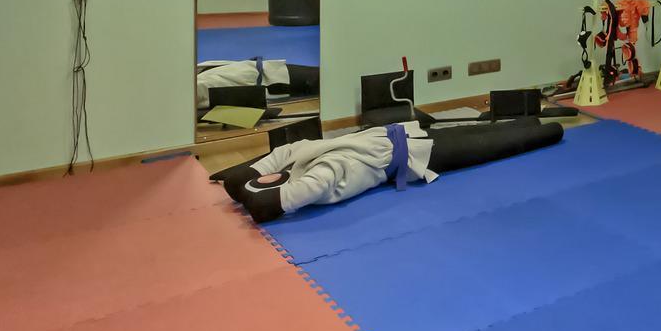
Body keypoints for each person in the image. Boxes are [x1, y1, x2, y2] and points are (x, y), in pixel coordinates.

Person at [213, 114, 562, 223]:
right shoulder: (325, 172)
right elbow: (306, 190)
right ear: (277, 184)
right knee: (496, 145)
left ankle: (531, 119)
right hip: (418, 156)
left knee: (481, 129)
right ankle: (551, 130)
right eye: (269, 179)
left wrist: (244, 175)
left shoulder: (301, 157)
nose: (270, 172)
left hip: (404, 134)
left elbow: (282, 152)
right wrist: (261, 200)